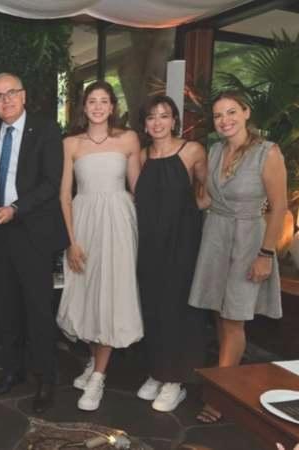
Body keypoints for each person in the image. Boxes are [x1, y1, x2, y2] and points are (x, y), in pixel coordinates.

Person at [189, 90, 287, 424]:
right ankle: (228, 377)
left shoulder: (267, 152)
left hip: (248, 240)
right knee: (220, 314)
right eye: (218, 115)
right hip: (216, 236)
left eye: (231, 112)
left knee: (234, 319)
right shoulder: (216, 151)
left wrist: (266, 254)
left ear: (246, 112)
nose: (225, 120)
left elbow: (279, 207)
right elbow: (206, 200)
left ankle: (220, 395)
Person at [0, 73, 69, 413]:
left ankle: (46, 378)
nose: (5, 100)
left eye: (11, 93)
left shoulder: (46, 130)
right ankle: (13, 371)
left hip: (32, 232)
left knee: (38, 309)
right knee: (6, 308)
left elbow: (51, 182)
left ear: (24, 95)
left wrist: (16, 209)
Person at [56, 80, 143, 412]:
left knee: (110, 294)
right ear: (84, 106)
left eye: (104, 101)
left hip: (118, 224)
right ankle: (94, 362)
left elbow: (138, 190)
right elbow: (65, 195)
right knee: (86, 294)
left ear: (112, 106)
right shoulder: (71, 143)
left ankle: (98, 376)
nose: (97, 106)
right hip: (83, 222)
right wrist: (71, 241)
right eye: (92, 100)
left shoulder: (128, 139)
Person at [134, 95, 208, 412]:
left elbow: (208, 192)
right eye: (151, 117)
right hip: (149, 243)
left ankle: (176, 380)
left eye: (164, 116)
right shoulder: (141, 155)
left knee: (178, 308)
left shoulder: (192, 151)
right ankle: (158, 371)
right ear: (145, 124)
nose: (158, 122)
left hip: (182, 242)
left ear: (175, 120)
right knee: (152, 306)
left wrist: (189, 215)